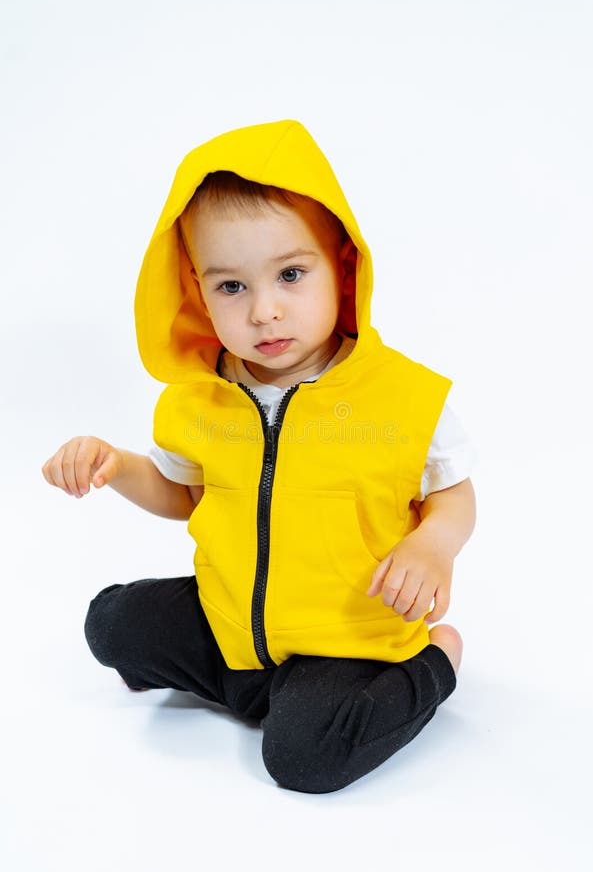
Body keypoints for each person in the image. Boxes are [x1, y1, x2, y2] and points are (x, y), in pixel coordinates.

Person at [42, 119, 477, 793]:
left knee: (304, 758)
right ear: (195, 289)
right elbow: (179, 495)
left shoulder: (401, 398)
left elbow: (453, 493)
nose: (264, 312)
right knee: (111, 625)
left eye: (290, 275)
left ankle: (433, 665)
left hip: (345, 635)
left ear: (341, 267)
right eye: (231, 287)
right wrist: (115, 464)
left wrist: (433, 548)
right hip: (231, 622)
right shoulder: (200, 398)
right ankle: (254, 689)